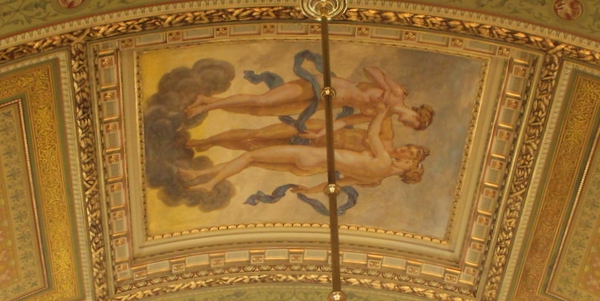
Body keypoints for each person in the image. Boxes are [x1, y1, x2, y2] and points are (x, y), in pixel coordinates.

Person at [179, 104, 428, 192]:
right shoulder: (374, 179)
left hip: (309, 155)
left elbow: (372, 132)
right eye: (409, 149)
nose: (405, 152)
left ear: (408, 167)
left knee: (250, 155)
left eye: (410, 157)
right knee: (253, 153)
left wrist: (383, 112)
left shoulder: (383, 157)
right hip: (312, 156)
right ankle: (199, 172)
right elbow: (336, 184)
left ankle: (210, 182)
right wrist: (309, 191)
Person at [184, 55, 434, 131]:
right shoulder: (396, 92)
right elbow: (370, 69)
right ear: (416, 114)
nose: (406, 124)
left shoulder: (382, 115)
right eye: (412, 123)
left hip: (322, 104)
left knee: (262, 111)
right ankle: (206, 106)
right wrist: (386, 87)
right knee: (263, 100)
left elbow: (345, 121)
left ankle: (207, 100)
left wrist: (323, 133)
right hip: (323, 86)